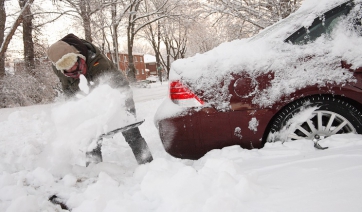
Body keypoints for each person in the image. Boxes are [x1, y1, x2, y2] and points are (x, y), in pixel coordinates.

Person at [46, 33, 153, 166]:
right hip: (90, 103)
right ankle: (94, 169)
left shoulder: (97, 62)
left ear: (77, 56)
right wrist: (77, 111)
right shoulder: (61, 71)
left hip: (118, 94)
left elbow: (114, 88)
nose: (71, 68)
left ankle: (147, 164)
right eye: (65, 67)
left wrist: (122, 111)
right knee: (91, 137)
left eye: (72, 63)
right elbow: (69, 92)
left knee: (131, 131)